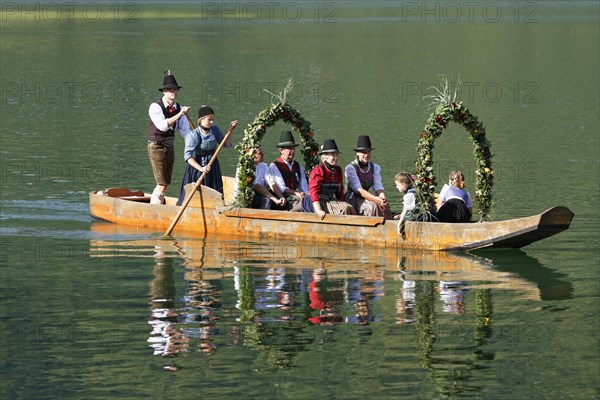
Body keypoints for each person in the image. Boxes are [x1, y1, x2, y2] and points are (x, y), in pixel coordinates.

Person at [176, 106, 238, 206]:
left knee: (215, 190)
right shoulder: (193, 135)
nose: (212, 122)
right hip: (197, 167)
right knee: (197, 193)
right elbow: (187, 157)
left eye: (213, 119)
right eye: (209, 119)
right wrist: (201, 168)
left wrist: (231, 131)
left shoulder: (215, 130)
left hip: (212, 166)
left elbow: (226, 143)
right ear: (201, 120)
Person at [147, 71, 191, 205]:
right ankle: (154, 209)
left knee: (166, 183)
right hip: (156, 146)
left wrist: (194, 144)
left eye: (174, 89)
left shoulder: (178, 107)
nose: (173, 91)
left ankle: (156, 204)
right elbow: (162, 126)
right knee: (162, 183)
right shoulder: (155, 106)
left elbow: (185, 132)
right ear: (164, 92)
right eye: (169, 89)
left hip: (169, 146)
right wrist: (180, 114)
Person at [345, 135, 392, 219]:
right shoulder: (350, 168)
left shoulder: (375, 167)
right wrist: (376, 199)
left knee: (385, 205)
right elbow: (359, 190)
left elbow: (378, 186)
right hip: (353, 198)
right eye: (363, 152)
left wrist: (383, 198)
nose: (366, 155)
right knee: (372, 206)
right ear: (357, 153)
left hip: (366, 198)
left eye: (368, 151)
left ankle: (388, 225)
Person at [309, 139, 356, 219]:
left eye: (337, 155)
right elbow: (313, 192)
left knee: (350, 208)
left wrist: (342, 202)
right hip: (320, 201)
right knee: (344, 209)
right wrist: (319, 210)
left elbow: (340, 192)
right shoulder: (318, 170)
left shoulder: (338, 170)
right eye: (333, 155)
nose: (336, 157)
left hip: (331, 200)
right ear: (325, 157)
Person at [267, 131, 312, 212]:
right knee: (302, 203)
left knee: (310, 200)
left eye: (293, 148)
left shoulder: (298, 166)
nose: (292, 151)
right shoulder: (275, 166)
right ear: (281, 150)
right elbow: (281, 188)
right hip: (283, 198)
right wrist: (296, 193)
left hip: (296, 197)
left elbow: (303, 186)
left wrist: (304, 193)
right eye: (289, 148)